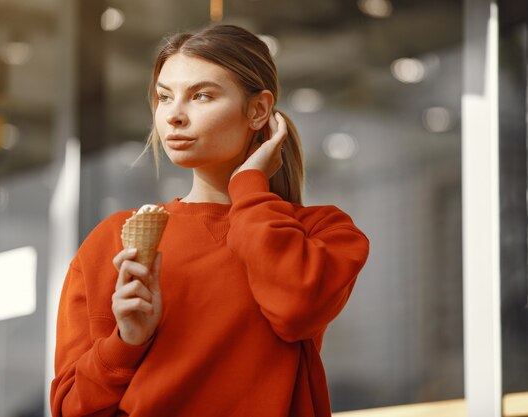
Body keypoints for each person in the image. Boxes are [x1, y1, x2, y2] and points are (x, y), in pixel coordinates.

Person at [50, 24, 369, 417]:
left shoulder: (322, 232)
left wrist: (249, 185)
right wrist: (127, 342)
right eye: (164, 97)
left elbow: (294, 309)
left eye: (201, 95)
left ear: (258, 110)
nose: (174, 116)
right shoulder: (113, 240)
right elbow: (69, 409)